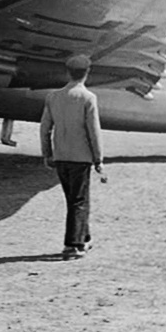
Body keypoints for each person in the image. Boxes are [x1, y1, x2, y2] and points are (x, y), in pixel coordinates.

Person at [39, 54, 105, 260]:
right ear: (87, 73)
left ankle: (85, 237)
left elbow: (45, 129)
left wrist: (47, 153)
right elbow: (93, 131)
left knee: (73, 199)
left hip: (61, 156)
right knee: (79, 200)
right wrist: (98, 158)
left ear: (67, 73)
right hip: (81, 157)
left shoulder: (53, 97)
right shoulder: (88, 98)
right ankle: (72, 245)